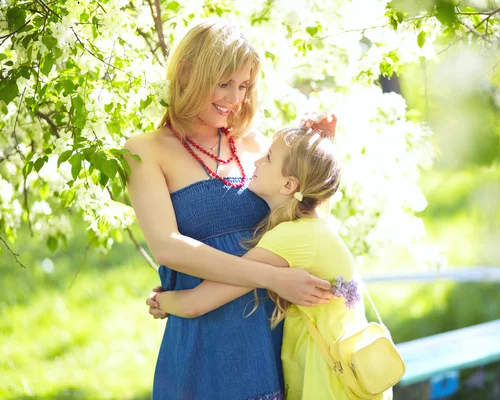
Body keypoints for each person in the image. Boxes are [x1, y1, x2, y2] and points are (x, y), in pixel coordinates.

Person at [125, 21, 335, 399]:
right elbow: (168, 248)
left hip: (276, 339)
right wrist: (269, 277)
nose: (235, 98)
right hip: (206, 345)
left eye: (244, 85)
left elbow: (303, 218)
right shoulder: (145, 150)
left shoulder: (257, 143)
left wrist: (319, 148)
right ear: (187, 70)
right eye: (224, 83)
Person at [147, 126, 392, 400]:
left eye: (268, 159)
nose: (256, 161)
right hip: (349, 376)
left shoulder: (288, 239)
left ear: (288, 185)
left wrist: (161, 302)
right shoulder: (311, 227)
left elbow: (196, 303)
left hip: (327, 383)